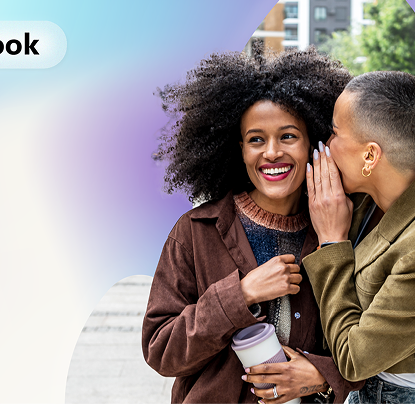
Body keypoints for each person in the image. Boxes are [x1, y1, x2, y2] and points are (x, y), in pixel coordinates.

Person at [142, 47, 363, 404]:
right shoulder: (194, 232)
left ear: (314, 145)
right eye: (256, 139)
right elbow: (161, 349)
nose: (272, 152)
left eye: (288, 136)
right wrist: (240, 295)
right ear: (239, 149)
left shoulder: (340, 227)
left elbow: (375, 345)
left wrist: (322, 374)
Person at [303, 71, 415, 403]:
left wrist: (331, 242)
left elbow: (353, 360)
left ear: (370, 156)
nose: (326, 146)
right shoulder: (373, 197)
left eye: (334, 133)